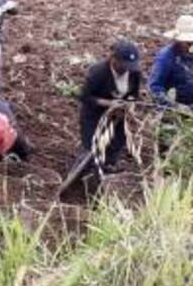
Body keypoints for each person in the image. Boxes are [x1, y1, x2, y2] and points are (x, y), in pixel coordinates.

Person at [77, 40, 142, 172]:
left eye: (129, 66)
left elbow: (134, 95)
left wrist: (128, 104)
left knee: (114, 145)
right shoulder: (98, 72)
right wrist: (108, 103)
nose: (126, 69)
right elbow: (85, 97)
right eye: (123, 65)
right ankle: (87, 172)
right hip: (94, 115)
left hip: (119, 116)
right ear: (113, 59)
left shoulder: (134, 73)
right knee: (92, 149)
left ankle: (108, 168)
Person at [148, 15, 193, 107]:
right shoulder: (166, 56)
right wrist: (173, 105)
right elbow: (155, 86)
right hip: (176, 107)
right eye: (188, 43)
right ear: (179, 40)